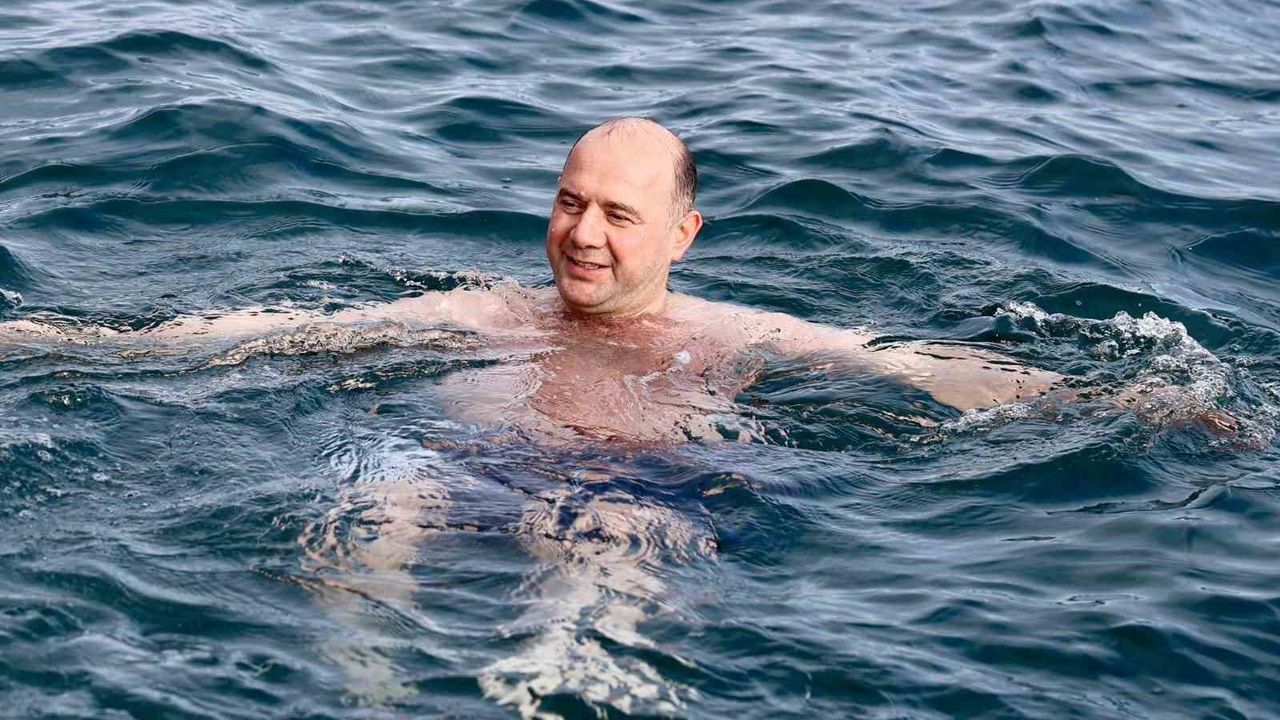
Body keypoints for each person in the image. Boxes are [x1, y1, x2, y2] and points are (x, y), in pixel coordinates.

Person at [0, 117, 1063, 442]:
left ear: (683, 236)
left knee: (597, 555)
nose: (582, 234)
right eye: (568, 202)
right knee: (368, 505)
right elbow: (255, 334)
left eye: (616, 215)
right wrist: (50, 343)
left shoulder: (737, 332)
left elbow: (914, 367)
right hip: (460, 474)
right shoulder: (481, 310)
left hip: (628, 494)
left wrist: (1116, 401)